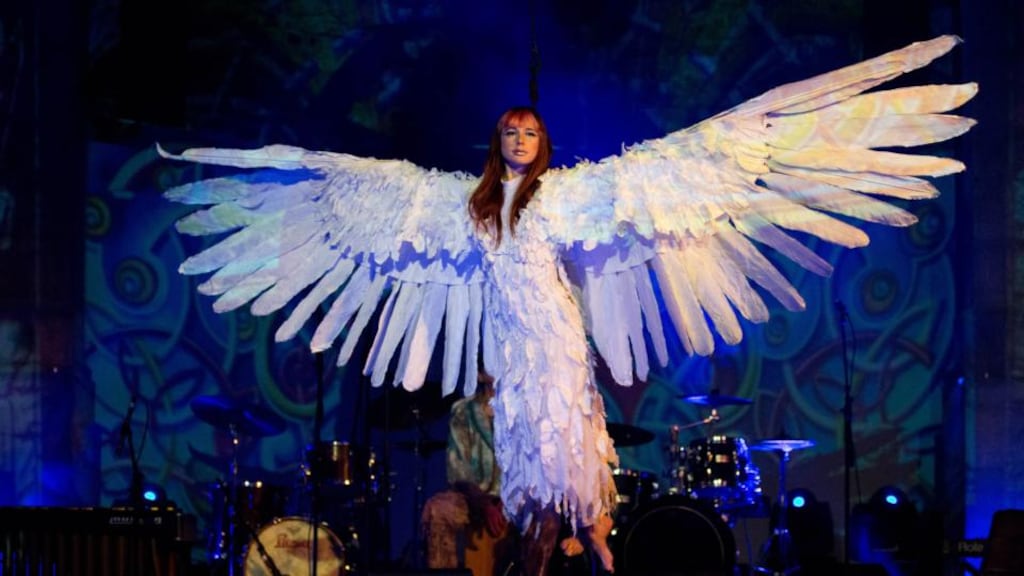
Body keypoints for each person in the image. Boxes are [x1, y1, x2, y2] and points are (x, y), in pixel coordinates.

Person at [467, 106, 617, 573]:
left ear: (541, 142)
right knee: (529, 451)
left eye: (530, 133)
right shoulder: (480, 202)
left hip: (553, 333)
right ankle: (576, 535)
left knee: (561, 437)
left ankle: (592, 528)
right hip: (513, 343)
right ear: (499, 140)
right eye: (511, 132)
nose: (520, 140)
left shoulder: (554, 193)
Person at [422, 371, 590, 576]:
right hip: (474, 499)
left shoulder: (528, 410)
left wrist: (510, 498)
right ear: (480, 375)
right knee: (438, 509)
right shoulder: (464, 411)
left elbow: (537, 466)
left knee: (546, 516)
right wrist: (484, 504)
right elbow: (458, 471)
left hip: (517, 501)